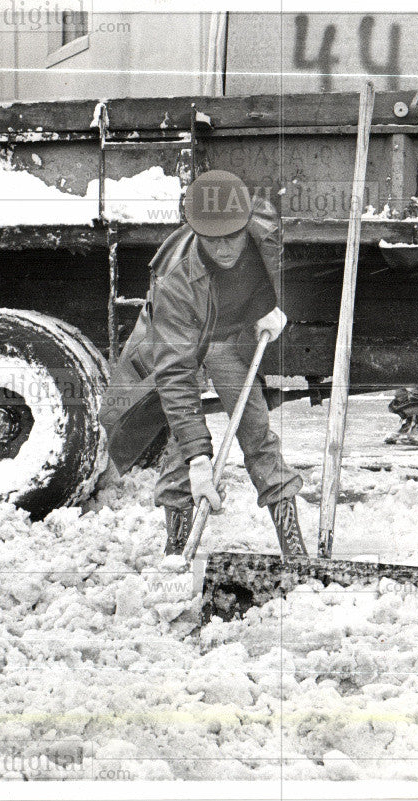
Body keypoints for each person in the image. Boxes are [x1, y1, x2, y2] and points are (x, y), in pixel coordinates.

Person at [104, 170, 306, 558]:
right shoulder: (174, 280)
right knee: (185, 444)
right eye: (213, 240)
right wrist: (201, 460)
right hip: (180, 338)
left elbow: (279, 268)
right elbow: (176, 375)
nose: (226, 248)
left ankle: (294, 552)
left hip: (231, 337)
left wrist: (274, 306)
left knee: (257, 433)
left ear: (247, 223)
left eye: (233, 236)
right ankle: (176, 549)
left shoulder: (263, 227)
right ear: (195, 231)